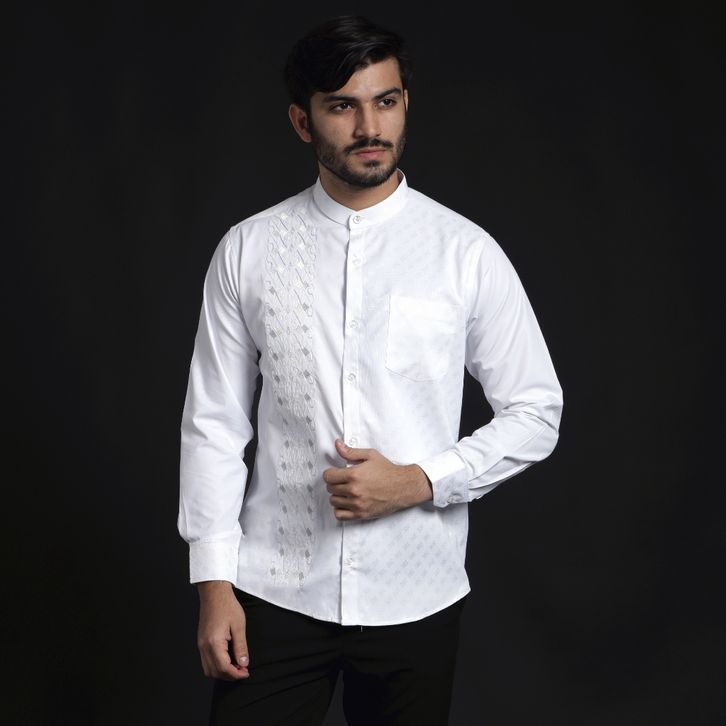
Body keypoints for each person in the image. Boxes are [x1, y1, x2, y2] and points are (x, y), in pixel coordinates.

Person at [178, 14, 563, 726]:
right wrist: (213, 582)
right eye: (342, 106)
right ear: (302, 121)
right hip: (275, 591)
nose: (368, 127)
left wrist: (420, 481)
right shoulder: (248, 250)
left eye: (385, 101)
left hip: (416, 595)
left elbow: (536, 411)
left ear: (405, 104)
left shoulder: (464, 253)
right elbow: (215, 424)